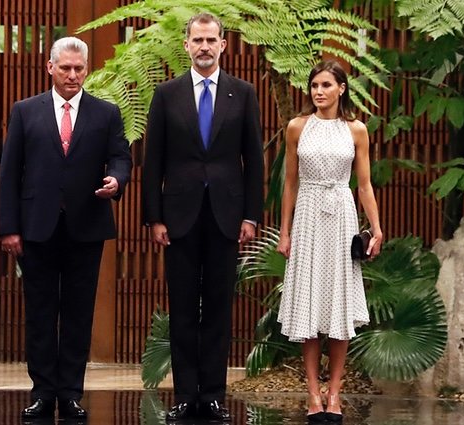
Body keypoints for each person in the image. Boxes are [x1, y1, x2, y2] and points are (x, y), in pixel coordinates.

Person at [0, 36, 132, 420]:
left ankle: (71, 392)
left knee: (78, 314)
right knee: (39, 313)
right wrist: (10, 227)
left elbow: (121, 158)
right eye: (66, 68)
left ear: (86, 70)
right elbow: (10, 173)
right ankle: (42, 391)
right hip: (36, 228)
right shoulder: (25, 111)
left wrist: (117, 181)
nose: (73, 75)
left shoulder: (106, 113)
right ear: (50, 68)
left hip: (86, 227)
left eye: (79, 69)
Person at [141, 13, 264, 422]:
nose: (205, 47)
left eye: (212, 40)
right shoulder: (166, 94)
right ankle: (185, 395)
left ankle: (212, 395)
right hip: (178, 218)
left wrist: (251, 214)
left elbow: (255, 160)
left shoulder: (242, 93)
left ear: (224, 45)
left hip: (227, 216)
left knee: (216, 308)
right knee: (181, 309)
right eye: (198, 40)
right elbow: (152, 160)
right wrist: (154, 218)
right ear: (187, 44)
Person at [275, 60, 383, 423]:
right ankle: (312, 394)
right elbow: (289, 182)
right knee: (308, 307)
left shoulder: (357, 130)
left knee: (338, 308)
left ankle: (334, 393)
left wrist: (377, 227)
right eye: (314, 86)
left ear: (341, 88)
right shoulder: (296, 127)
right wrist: (285, 231)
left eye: (325, 85)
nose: (318, 92)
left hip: (342, 217)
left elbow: (364, 184)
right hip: (306, 216)